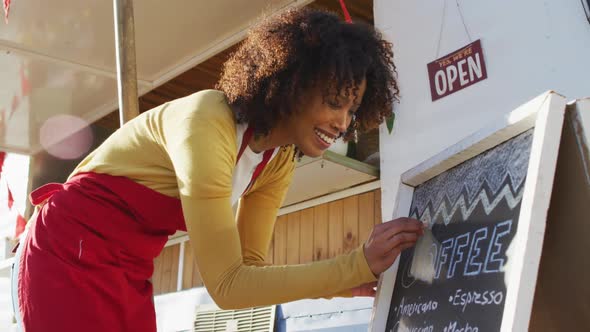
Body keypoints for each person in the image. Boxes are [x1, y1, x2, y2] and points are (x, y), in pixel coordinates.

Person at [11, 7, 424, 332]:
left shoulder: (278, 160)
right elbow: (227, 286)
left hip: (129, 268)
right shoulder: (207, 122)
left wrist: (338, 285)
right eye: (334, 101)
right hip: (66, 254)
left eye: (352, 109)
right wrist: (354, 265)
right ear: (293, 83)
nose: (342, 122)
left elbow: (250, 271)